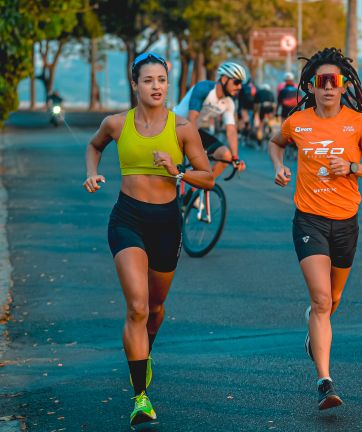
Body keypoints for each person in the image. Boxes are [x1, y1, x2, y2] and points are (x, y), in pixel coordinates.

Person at [83, 52, 214, 426]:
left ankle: (144, 354)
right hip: (127, 218)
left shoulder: (183, 128)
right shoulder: (116, 124)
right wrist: (92, 173)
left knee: (155, 310)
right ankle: (140, 396)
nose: (156, 86)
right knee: (137, 307)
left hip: (166, 222)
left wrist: (179, 171)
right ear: (134, 84)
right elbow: (93, 146)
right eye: (148, 80)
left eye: (161, 80)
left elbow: (207, 177)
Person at [268, 47, 362, 410]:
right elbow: (276, 144)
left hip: (346, 223)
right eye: (320, 82)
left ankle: (314, 332)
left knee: (332, 301)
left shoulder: (359, 124)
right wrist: (279, 166)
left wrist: (353, 167)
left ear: (342, 85)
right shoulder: (298, 122)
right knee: (321, 300)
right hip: (309, 219)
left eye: (333, 81)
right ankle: (325, 381)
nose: (327, 88)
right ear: (311, 85)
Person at [173, 61, 248, 179]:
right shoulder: (203, 88)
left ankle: (199, 188)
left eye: (241, 83)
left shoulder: (229, 103)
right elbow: (191, 118)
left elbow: (231, 131)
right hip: (175, 128)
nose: (239, 87)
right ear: (224, 79)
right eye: (236, 82)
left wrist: (235, 158)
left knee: (225, 155)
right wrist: (196, 148)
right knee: (175, 171)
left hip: (193, 130)